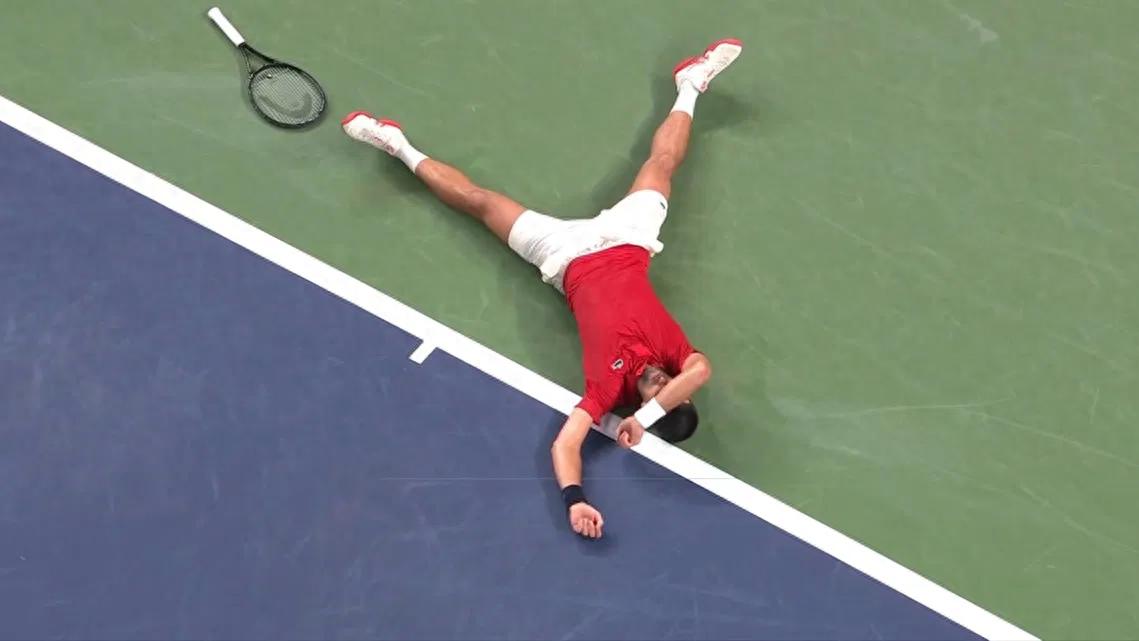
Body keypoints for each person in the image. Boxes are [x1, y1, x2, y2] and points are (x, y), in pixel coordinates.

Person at [342, 39, 742, 539]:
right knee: (661, 164)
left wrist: (575, 500)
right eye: (672, 390)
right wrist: (652, 413)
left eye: (663, 395)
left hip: (564, 255)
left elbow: (565, 445)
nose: (666, 383)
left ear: (638, 408)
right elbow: (700, 371)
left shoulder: (606, 391)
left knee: (480, 201)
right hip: (629, 240)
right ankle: (691, 84)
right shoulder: (677, 357)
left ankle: (395, 144)